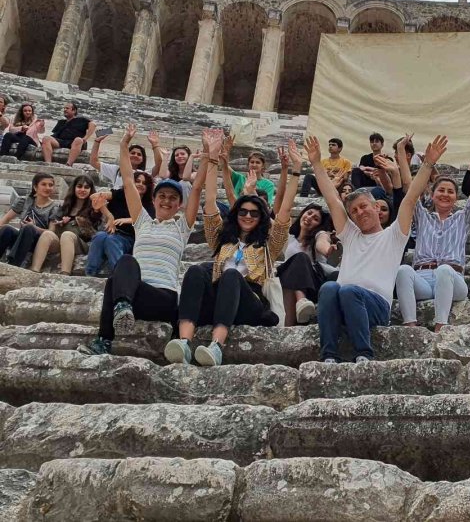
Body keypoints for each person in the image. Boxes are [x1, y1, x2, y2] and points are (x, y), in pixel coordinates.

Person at [307, 133, 446, 363]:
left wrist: (428, 164)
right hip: (344, 301)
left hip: (376, 306)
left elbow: (410, 199)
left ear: (375, 207)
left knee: (348, 290)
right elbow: (332, 200)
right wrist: (315, 163)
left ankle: (364, 354)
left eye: (364, 207)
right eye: (354, 211)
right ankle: (329, 355)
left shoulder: (394, 235)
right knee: (330, 288)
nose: (360, 213)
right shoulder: (350, 235)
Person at [165, 133, 301, 366]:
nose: (248, 216)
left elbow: (284, 213)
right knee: (196, 271)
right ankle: (184, 342)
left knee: (230, 275)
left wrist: (295, 171)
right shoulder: (223, 239)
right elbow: (209, 205)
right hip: (220, 298)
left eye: (254, 213)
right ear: (235, 215)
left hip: (251, 302)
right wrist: (213, 159)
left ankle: (217, 346)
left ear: (261, 218)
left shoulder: (269, 243)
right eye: (243, 212)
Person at [77, 124, 208, 356]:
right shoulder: (143, 221)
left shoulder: (182, 227)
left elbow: (196, 189)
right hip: (135, 295)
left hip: (163, 297)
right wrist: (124, 144)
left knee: (122, 270)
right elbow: (128, 181)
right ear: (154, 200)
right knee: (122, 268)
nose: (166, 201)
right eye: (162, 196)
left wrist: (208, 154)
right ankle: (106, 337)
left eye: (172, 198)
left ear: (179, 205)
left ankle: (108, 332)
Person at [396, 136, 470, 332]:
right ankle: (410, 326)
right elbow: (410, 186)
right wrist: (402, 151)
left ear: (455, 197)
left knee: (443, 270)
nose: (445, 194)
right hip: (423, 278)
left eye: (450, 191)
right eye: (440, 190)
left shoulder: (463, 218)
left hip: (453, 279)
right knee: (402, 271)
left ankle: (440, 327)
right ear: (432, 195)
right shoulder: (423, 216)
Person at [85, 171, 156, 276]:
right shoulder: (120, 194)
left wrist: (127, 220)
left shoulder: (148, 204)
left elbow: (149, 220)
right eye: (137, 181)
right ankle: (90, 273)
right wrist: (110, 216)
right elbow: (94, 197)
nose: (140, 184)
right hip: (112, 232)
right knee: (99, 236)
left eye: (144, 183)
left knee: (111, 240)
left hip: (130, 238)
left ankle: (120, 276)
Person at [277, 203, 336, 326]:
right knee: (288, 271)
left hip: (313, 285)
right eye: (309, 213)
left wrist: (327, 250)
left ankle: (302, 300)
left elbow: (322, 242)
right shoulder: (289, 238)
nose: (310, 218)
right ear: (303, 213)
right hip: (289, 283)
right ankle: (287, 328)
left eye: (316, 219)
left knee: (300, 258)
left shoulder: (319, 235)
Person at [32, 175, 102, 274]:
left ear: (91, 190)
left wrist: (78, 221)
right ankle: (34, 270)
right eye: (79, 186)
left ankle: (65, 272)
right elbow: (54, 226)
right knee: (47, 234)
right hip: (61, 241)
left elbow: (93, 228)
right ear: (74, 188)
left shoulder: (94, 207)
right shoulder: (65, 207)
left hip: (82, 244)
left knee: (67, 234)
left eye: (86, 187)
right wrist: (60, 223)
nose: (82, 190)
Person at [0, 172, 59, 267]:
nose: (48, 188)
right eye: (44, 184)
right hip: (22, 237)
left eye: (51, 185)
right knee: (7, 229)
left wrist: (34, 227)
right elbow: (6, 218)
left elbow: (51, 232)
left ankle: (14, 264)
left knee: (28, 228)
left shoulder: (55, 207)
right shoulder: (25, 201)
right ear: (35, 187)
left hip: (39, 242)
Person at [41, 101, 95, 166]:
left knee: (78, 140)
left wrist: (85, 138)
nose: (65, 110)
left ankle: (68, 164)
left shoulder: (81, 120)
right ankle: (48, 163)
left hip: (75, 142)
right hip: (61, 141)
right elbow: (55, 135)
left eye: (67, 108)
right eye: (64, 108)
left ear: (74, 111)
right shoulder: (61, 122)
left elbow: (93, 124)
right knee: (46, 138)